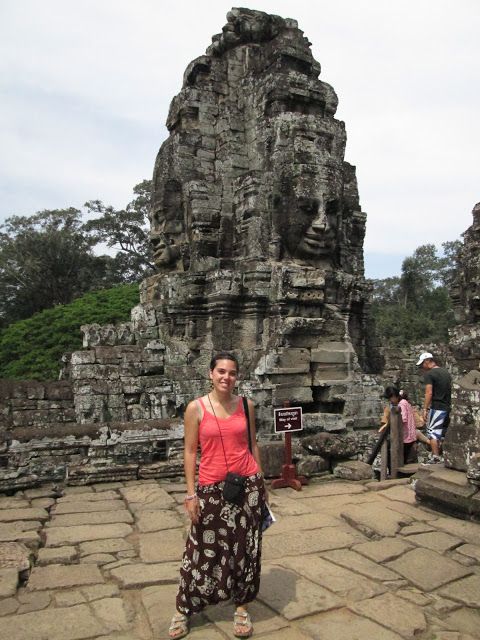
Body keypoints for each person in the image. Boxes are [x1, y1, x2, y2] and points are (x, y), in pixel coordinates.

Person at [169, 352, 266, 640]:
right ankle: (183, 608)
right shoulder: (195, 409)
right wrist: (190, 494)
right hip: (211, 488)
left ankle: (242, 607)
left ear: (238, 377)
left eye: (232, 373)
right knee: (201, 550)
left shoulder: (246, 405)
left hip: (247, 485)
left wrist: (262, 483)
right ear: (211, 374)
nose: (226, 377)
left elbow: (253, 445)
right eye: (221, 371)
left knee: (246, 549)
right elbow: (189, 452)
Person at [416, 352, 452, 464]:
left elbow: (429, 392)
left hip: (437, 406)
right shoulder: (446, 372)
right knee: (443, 432)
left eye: (422, 364)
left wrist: (425, 409)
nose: (422, 367)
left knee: (433, 433)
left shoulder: (430, 374)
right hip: (447, 406)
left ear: (427, 361)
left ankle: (436, 457)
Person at [379, 386, 417, 462]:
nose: (390, 401)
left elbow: (403, 419)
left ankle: (394, 472)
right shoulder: (404, 402)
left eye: (390, 399)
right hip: (409, 436)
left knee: (395, 457)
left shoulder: (402, 404)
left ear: (393, 396)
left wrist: (388, 424)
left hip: (406, 437)